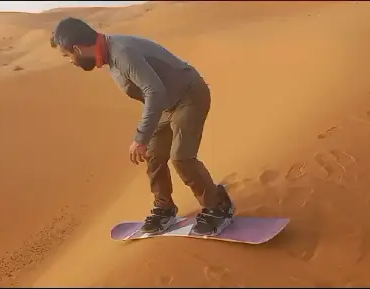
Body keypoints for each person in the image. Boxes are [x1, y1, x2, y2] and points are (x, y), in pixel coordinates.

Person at [50, 17, 234, 236]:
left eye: (67, 55)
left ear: (77, 49)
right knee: (154, 154)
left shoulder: (122, 53)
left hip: (188, 96)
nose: (70, 61)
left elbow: (153, 91)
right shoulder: (110, 54)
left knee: (181, 157)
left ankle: (218, 206)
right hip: (167, 104)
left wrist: (140, 138)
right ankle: (165, 207)